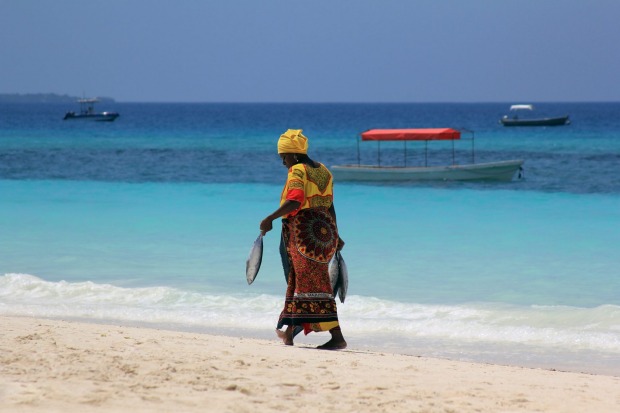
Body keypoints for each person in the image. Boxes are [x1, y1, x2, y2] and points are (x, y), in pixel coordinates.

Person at [260, 129, 347, 350]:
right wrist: (335, 235)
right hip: (323, 233)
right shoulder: (324, 170)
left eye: (284, 157)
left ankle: (337, 337)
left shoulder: (297, 170)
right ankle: (289, 333)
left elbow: (295, 201)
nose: (283, 163)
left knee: (313, 285)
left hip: (303, 234)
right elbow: (330, 205)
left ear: (294, 155)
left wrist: (270, 218)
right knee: (300, 283)